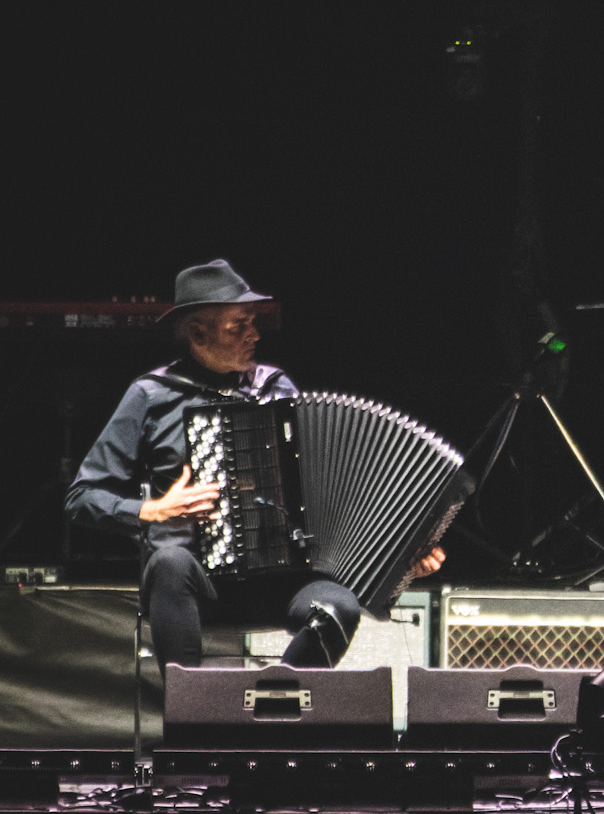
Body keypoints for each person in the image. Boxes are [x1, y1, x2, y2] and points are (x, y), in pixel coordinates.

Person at [65, 259, 442, 670]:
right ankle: (188, 709)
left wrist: (402, 557)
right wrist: (152, 511)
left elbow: (331, 491)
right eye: (238, 326)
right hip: (194, 586)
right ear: (197, 333)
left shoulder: (276, 389)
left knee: (339, 608)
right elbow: (81, 497)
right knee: (170, 563)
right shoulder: (151, 395)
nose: (254, 335)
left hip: (281, 583)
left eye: (253, 322)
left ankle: (274, 699)